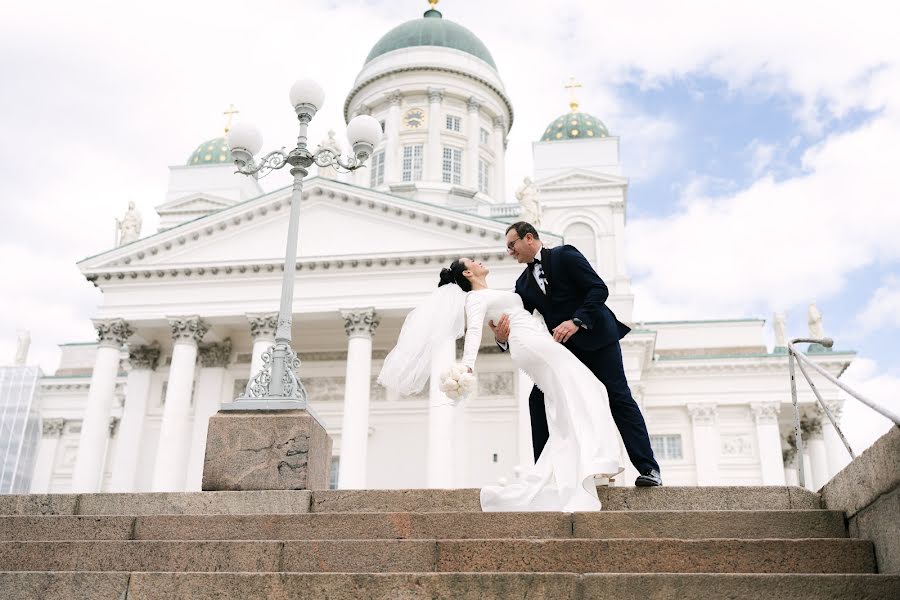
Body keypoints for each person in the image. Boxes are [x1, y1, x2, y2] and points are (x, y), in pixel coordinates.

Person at [379, 257, 621, 512]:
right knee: (591, 388)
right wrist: (467, 365)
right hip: (530, 344)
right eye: (472, 261)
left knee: (565, 408)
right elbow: (473, 332)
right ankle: (596, 462)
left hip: (535, 339)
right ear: (469, 272)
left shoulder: (492, 292)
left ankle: (583, 470)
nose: (479, 261)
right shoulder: (474, 299)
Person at [493, 221, 662, 487]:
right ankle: (545, 477)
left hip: (598, 338)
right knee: (538, 400)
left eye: (511, 245)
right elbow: (519, 322)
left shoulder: (565, 255)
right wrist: (502, 338)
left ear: (528, 238)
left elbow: (598, 289)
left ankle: (649, 469)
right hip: (565, 353)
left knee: (619, 398)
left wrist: (576, 321)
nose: (510, 252)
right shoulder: (523, 285)